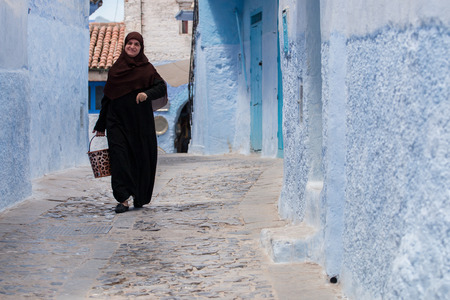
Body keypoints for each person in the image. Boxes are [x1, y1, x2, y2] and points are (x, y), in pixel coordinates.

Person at [92, 32, 167, 213]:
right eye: (129, 43)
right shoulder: (116, 70)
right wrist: (101, 125)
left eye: (136, 44)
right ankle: (123, 199)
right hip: (116, 122)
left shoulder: (147, 69)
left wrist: (146, 94)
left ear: (141, 48)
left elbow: (161, 87)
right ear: (124, 45)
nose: (132, 47)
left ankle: (139, 195)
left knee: (140, 158)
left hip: (140, 124)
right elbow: (107, 99)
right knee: (119, 159)